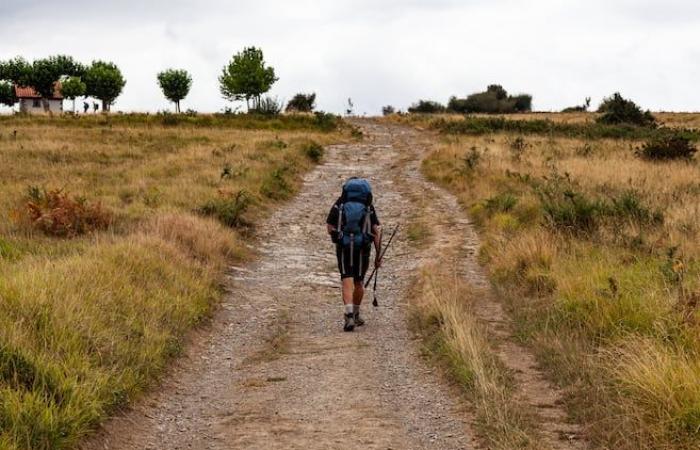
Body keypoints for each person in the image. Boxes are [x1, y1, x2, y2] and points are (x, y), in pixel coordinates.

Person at [326, 177, 382, 332]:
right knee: (358, 281)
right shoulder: (368, 206)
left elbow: (330, 227)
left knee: (346, 278)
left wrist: (340, 236)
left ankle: (349, 314)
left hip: (344, 247)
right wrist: (378, 255)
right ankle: (356, 315)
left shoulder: (340, 204)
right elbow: (376, 231)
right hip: (363, 247)